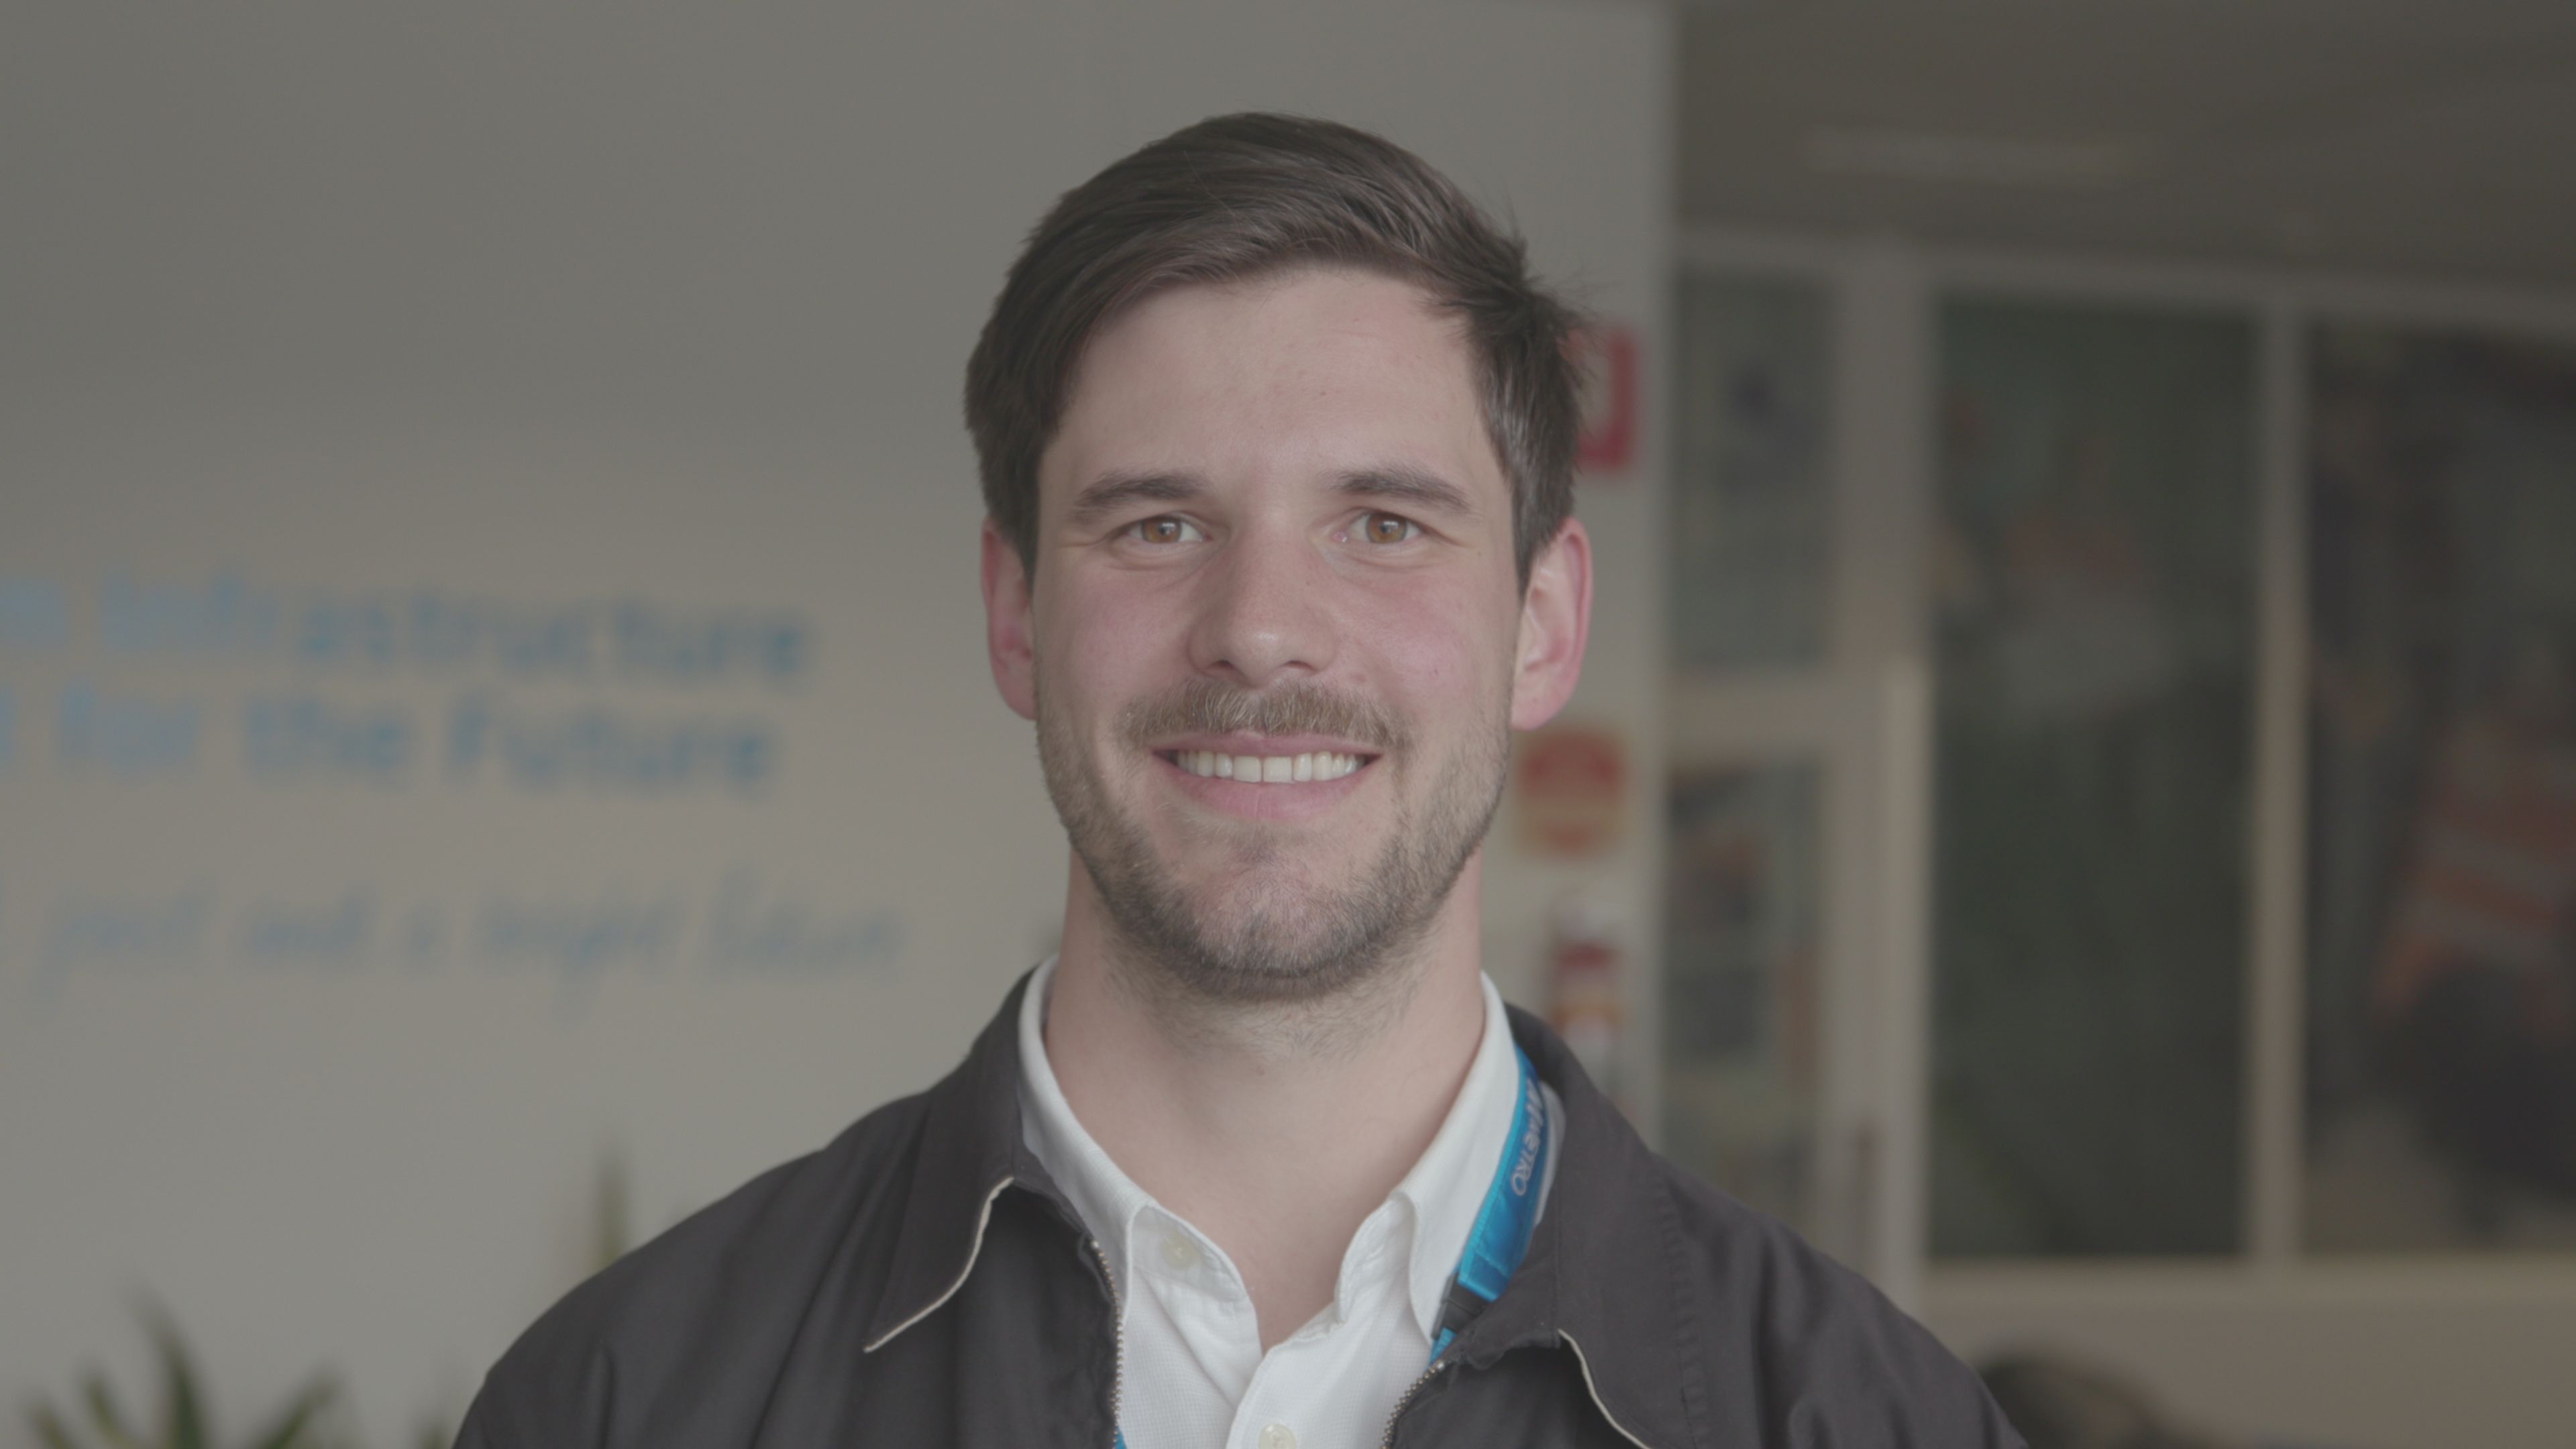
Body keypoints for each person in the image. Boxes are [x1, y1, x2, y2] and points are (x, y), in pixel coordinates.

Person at [456, 112, 2022, 1449]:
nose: (1262, 629)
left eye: (1385, 524)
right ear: (1015, 616)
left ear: (1544, 626)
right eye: (1157, 524)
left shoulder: (1860, 1419)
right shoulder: (631, 1401)